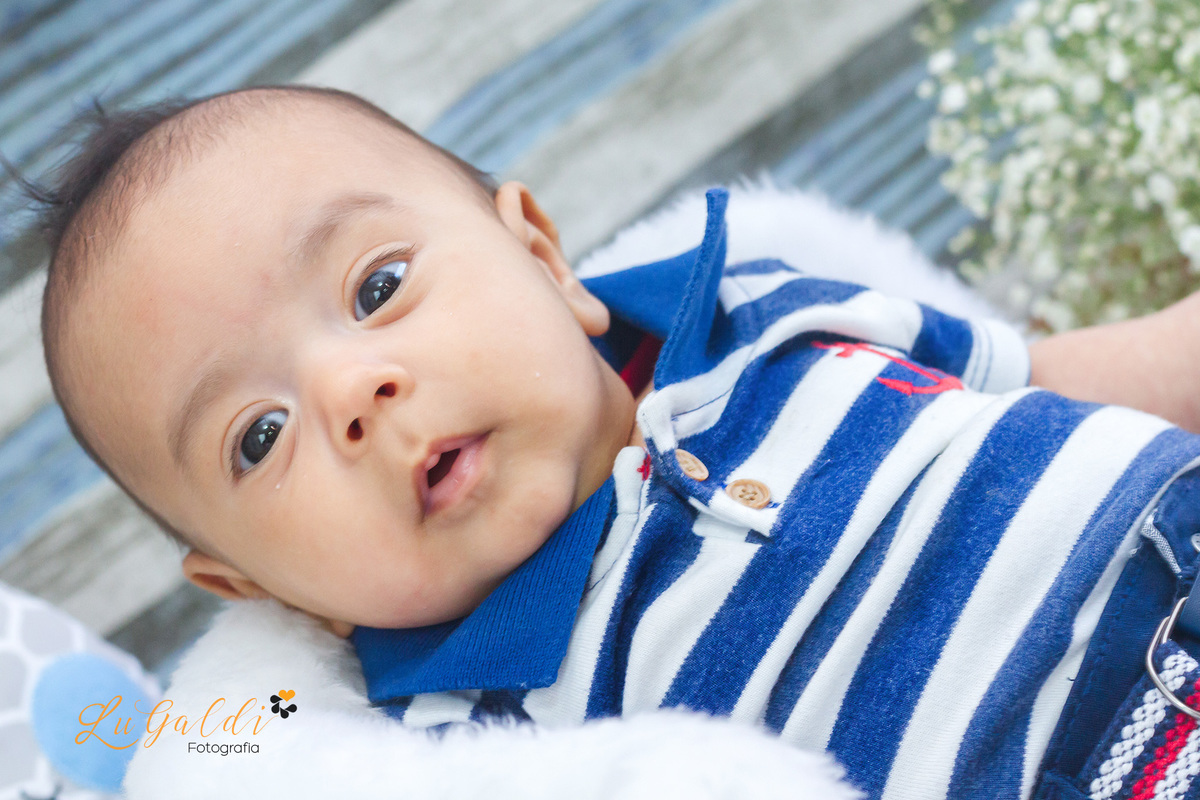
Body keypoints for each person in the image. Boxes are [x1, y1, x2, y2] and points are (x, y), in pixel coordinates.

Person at [29, 84, 1200, 800]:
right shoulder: (471, 731)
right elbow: (238, 741)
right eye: (258, 435)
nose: (355, 387)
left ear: (542, 256)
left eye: (379, 284)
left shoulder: (763, 304)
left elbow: (1060, 376)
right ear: (262, 584)